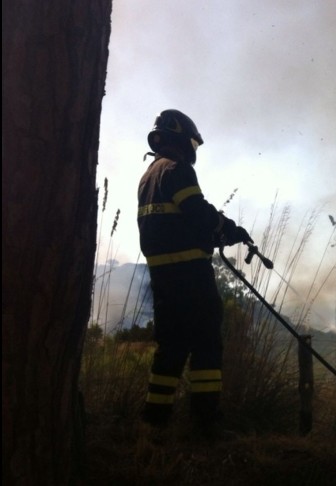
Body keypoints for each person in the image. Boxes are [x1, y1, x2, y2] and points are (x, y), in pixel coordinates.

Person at [137, 109, 251, 436]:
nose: (193, 152)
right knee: (206, 344)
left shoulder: (149, 177)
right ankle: (205, 423)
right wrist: (227, 228)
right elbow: (197, 211)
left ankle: (154, 422)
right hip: (191, 276)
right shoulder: (177, 169)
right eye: (192, 145)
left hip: (162, 279)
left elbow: (173, 223)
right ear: (181, 140)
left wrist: (208, 234)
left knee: (171, 347)